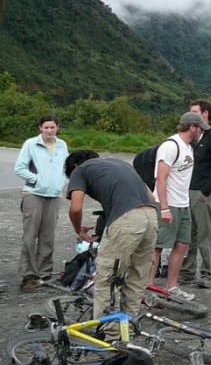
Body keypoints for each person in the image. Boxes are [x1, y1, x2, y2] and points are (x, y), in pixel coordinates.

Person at [65, 150, 158, 321]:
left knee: (107, 278)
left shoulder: (80, 170)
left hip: (127, 221)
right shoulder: (121, 163)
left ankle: (109, 333)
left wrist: (79, 230)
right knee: (136, 278)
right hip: (151, 217)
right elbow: (151, 197)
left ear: (74, 166)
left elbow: (76, 207)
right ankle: (128, 326)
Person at [147, 111, 207, 301]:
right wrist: (164, 207)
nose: (201, 133)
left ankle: (172, 287)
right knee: (158, 245)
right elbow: (160, 178)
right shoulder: (170, 146)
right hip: (168, 203)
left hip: (182, 203)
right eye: (200, 129)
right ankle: (147, 286)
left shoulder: (188, 147)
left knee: (182, 244)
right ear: (192, 127)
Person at [14, 114, 69, 292]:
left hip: (54, 195)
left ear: (57, 128)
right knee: (30, 235)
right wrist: (36, 180)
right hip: (33, 194)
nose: (49, 131)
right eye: (46, 127)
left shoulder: (62, 145)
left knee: (48, 236)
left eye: (52, 127)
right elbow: (20, 167)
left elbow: (66, 167)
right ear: (40, 128)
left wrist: (61, 183)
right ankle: (29, 274)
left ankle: (44, 273)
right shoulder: (31, 144)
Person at [181, 99, 211, 289]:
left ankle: (208, 273)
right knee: (188, 233)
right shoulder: (193, 136)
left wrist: (207, 191)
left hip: (203, 192)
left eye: (195, 111)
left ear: (205, 113)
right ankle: (187, 271)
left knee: (205, 234)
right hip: (189, 190)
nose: (192, 114)